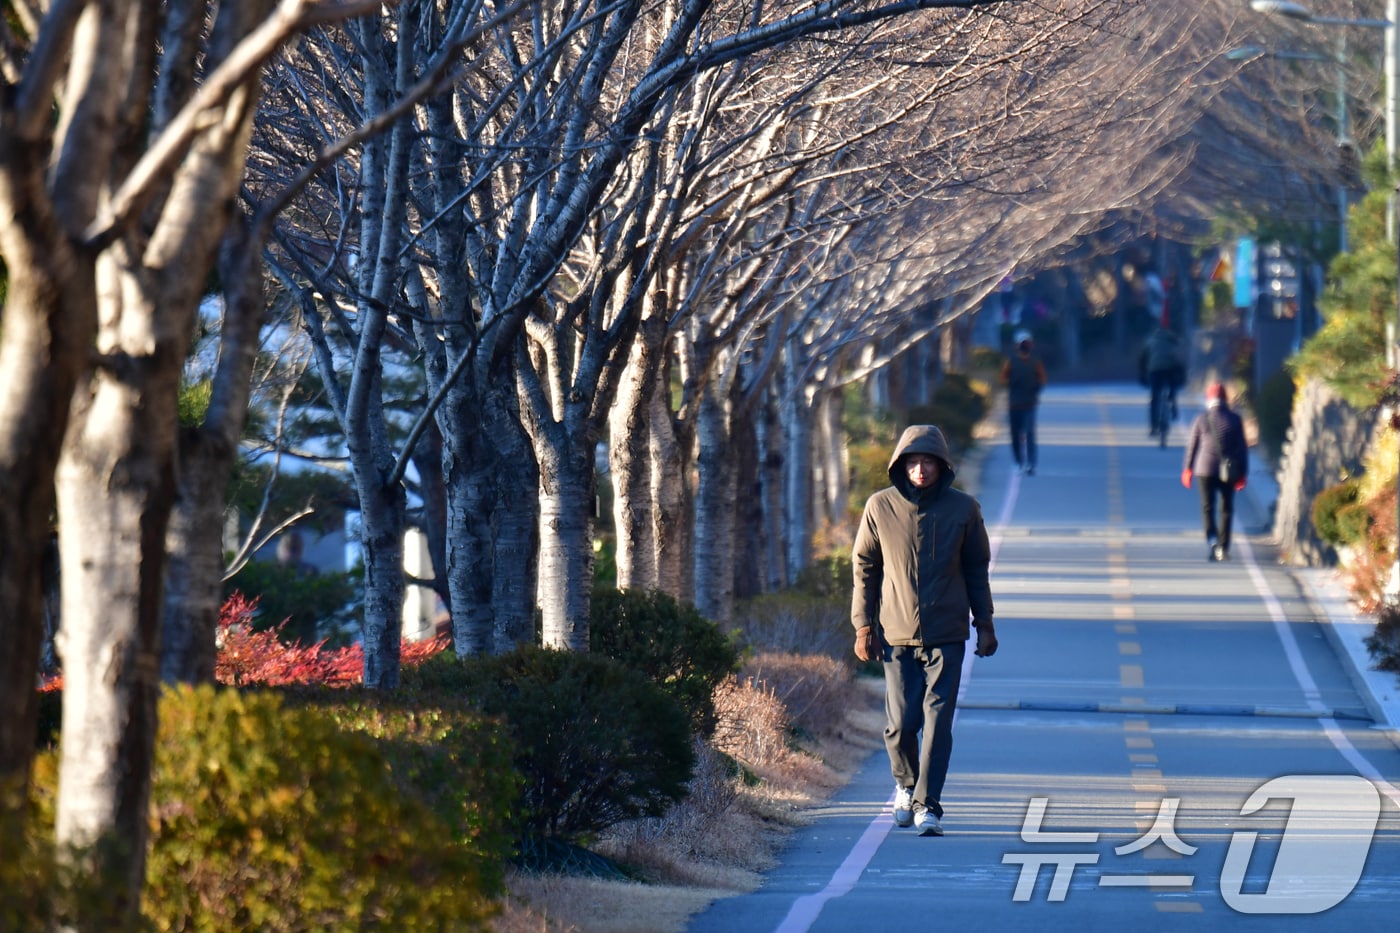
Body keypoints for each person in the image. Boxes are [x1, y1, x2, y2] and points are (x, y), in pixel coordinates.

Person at [851, 425, 998, 836]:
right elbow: (865, 568)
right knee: (901, 723)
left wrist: (985, 623)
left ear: (942, 465)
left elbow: (976, 569)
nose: (920, 470)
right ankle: (906, 785)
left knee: (937, 723)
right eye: (913, 462)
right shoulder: (880, 507)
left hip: (947, 634)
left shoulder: (964, 509)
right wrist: (863, 626)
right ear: (900, 465)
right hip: (895, 635)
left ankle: (927, 805)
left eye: (928, 462)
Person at [1181, 382, 1249, 561]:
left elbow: (1192, 446)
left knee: (1207, 507)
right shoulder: (1235, 419)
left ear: (1208, 399)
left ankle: (1212, 540)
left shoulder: (1201, 419)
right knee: (1226, 508)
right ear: (1225, 398)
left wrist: (1188, 469)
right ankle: (1224, 547)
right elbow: (1242, 449)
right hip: (1229, 470)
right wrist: (1243, 474)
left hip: (1204, 469)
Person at [999, 329, 1047, 475]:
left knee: (1030, 433)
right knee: (1015, 434)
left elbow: (1042, 379)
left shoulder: (1036, 362)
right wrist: (1012, 382)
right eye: (1022, 344)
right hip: (1014, 404)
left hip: (1029, 404)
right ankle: (1019, 462)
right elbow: (1002, 378)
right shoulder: (1011, 362)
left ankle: (1031, 463)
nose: (1025, 346)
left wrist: (1035, 388)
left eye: (1027, 343)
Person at [1140, 324, 1184, 436]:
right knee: (1172, 388)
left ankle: (1153, 426)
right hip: (1169, 369)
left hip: (1155, 370)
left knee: (1154, 398)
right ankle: (1173, 407)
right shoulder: (1172, 339)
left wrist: (1142, 376)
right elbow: (1179, 356)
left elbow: (1143, 359)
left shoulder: (1150, 340)